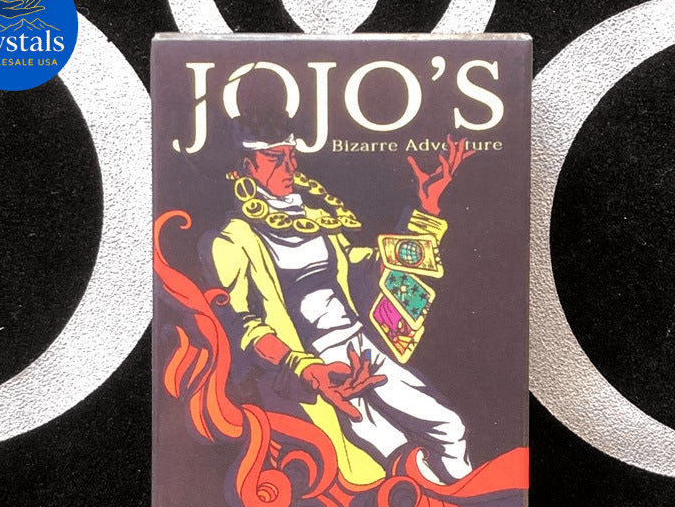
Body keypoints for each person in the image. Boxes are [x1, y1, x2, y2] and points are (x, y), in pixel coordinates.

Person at [200, 116, 474, 486]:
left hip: (362, 346)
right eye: (275, 158)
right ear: (247, 166)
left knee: (450, 429)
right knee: (391, 456)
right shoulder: (229, 241)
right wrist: (306, 369)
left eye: (291, 155)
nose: (289, 166)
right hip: (313, 365)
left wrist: (427, 209)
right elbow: (244, 328)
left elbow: (370, 266)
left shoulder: (316, 221)